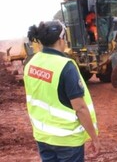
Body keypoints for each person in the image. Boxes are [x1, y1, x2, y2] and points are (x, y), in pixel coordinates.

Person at [24, 20, 100, 161]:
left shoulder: (31, 64)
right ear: (61, 39)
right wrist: (94, 138)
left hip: (43, 136)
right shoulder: (66, 66)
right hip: (67, 140)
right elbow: (80, 108)